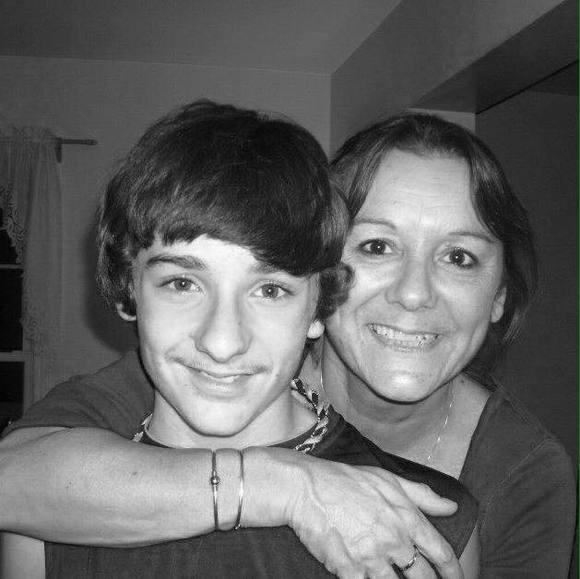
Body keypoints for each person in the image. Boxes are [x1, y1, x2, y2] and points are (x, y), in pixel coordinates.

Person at [0, 102, 479, 579]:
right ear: (128, 288)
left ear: (320, 307)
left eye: (270, 290)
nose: (222, 342)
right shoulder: (46, 518)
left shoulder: (421, 532)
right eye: (182, 284)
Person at [311, 113, 575, 577]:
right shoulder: (226, 378)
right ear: (318, 264)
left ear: (499, 296)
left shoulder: (525, 474)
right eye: (377, 246)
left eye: (458, 257)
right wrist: (275, 486)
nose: (414, 293)